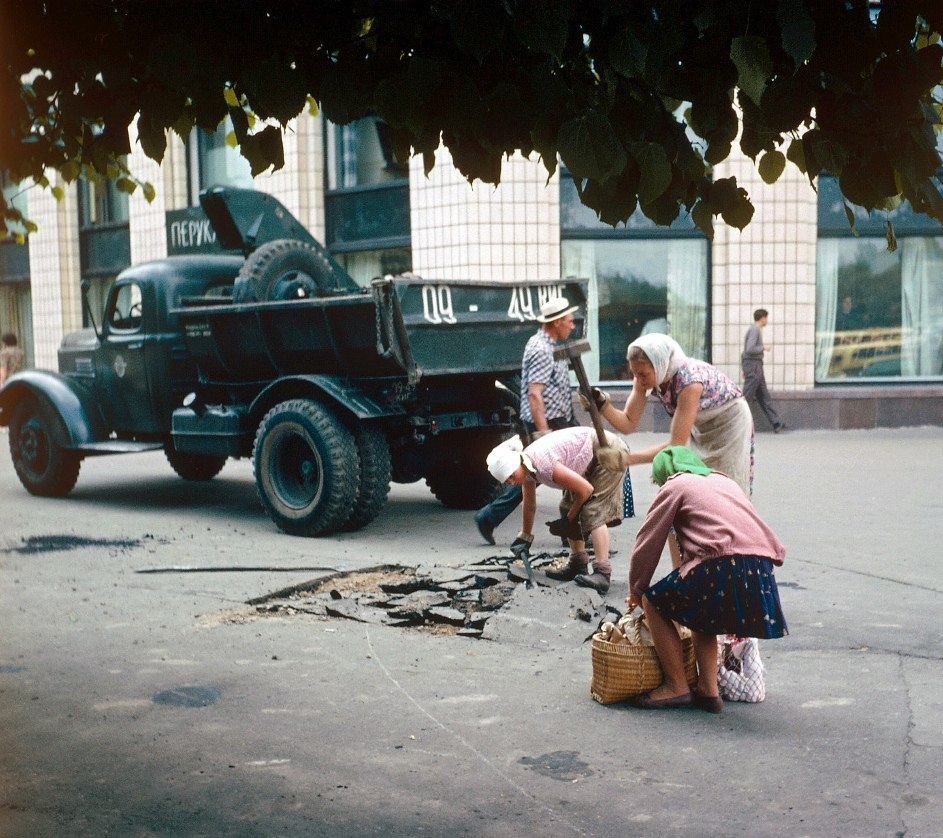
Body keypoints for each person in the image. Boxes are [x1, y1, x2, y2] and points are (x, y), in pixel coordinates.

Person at [624, 447, 787, 712]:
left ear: (665, 474)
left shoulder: (675, 485)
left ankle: (676, 686)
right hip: (759, 566)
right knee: (702, 611)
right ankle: (709, 691)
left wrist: (637, 589)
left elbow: (647, 543)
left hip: (721, 562)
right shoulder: (724, 481)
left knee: (653, 602)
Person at [589, 333, 754, 497]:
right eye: (635, 373)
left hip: (730, 423)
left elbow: (676, 446)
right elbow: (628, 423)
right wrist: (602, 406)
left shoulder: (689, 382)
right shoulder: (644, 377)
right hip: (702, 423)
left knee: (726, 486)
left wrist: (624, 460)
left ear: (659, 365)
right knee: (702, 483)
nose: (639, 380)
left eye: (643, 374)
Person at [473, 296, 579, 545]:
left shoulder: (550, 344)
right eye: (569, 321)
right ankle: (571, 532)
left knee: (537, 474)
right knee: (551, 472)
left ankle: (489, 517)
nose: (572, 326)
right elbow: (534, 393)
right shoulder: (542, 349)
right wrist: (545, 435)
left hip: (555, 419)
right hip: (547, 423)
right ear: (556, 322)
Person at [485, 425, 630, 594]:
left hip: (607, 450)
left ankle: (602, 573)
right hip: (586, 459)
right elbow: (529, 505)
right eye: (506, 481)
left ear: (517, 462)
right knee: (567, 506)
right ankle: (578, 564)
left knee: (593, 511)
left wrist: (568, 519)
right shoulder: (526, 468)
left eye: (510, 475)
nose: (510, 482)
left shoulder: (543, 465)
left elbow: (586, 490)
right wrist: (524, 537)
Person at [742, 309, 786, 433]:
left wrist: (744, 367)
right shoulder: (755, 330)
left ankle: (776, 423)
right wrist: (764, 347)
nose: (767, 320)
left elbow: (745, 351)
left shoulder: (754, 329)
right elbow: (749, 349)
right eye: (766, 318)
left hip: (754, 366)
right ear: (762, 318)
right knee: (745, 397)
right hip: (754, 367)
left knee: (764, 395)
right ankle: (732, 421)